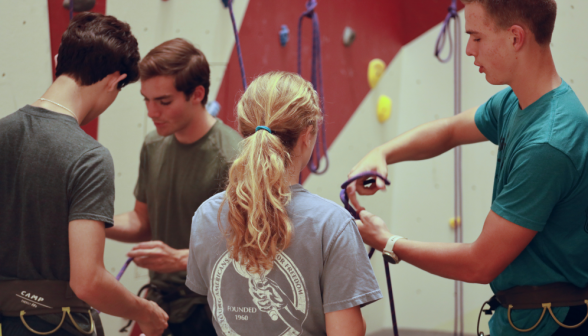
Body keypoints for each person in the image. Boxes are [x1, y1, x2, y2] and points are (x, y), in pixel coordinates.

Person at [347, 1, 588, 335]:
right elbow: (449, 131)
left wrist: (389, 242)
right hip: (521, 317)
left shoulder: (548, 144)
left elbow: (480, 263)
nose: (468, 50)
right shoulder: (516, 102)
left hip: (550, 324)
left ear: (515, 38)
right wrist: (381, 153)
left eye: (476, 37)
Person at [0, 12, 168, 336]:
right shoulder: (88, 157)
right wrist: (144, 312)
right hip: (57, 326)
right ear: (114, 80)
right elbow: (87, 280)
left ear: (58, 60)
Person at [185, 71, 382, 336]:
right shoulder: (332, 224)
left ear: (244, 132)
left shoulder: (207, 215)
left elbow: (220, 307)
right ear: (307, 135)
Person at [105, 38, 242, 335]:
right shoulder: (154, 145)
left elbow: (253, 251)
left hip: (214, 311)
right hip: (160, 306)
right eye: (146, 100)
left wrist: (180, 259)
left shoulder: (234, 158)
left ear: (197, 94)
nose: (152, 112)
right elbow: (143, 222)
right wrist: (87, 221)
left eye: (164, 102)